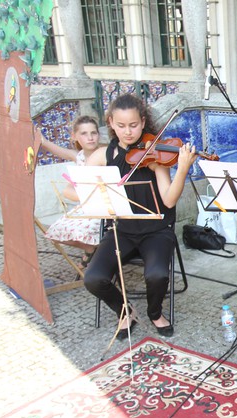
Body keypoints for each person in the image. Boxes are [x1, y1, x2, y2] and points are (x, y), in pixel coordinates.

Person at [83, 94, 197, 340]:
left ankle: (154, 312)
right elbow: (72, 189)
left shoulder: (154, 154)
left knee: (157, 275)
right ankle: (125, 311)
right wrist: (97, 194)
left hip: (156, 231)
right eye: (121, 125)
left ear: (143, 122)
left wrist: (183, 169)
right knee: (93, 278)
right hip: (121, 231)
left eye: (133, 125)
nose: (128, 132)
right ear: (111, 123)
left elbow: (169, 200)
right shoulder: (103, 155)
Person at [40, 115, 102, 265]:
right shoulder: (79, 157)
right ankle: (90, 249)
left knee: (83, 230)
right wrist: (41, 140)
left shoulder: (104, 155)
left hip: (101, 207)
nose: (90, 138)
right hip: (84, 206)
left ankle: (99, 254)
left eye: (93, 133)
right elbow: (59, 151)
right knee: (54, 232)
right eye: (84, 133)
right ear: (74, 136)